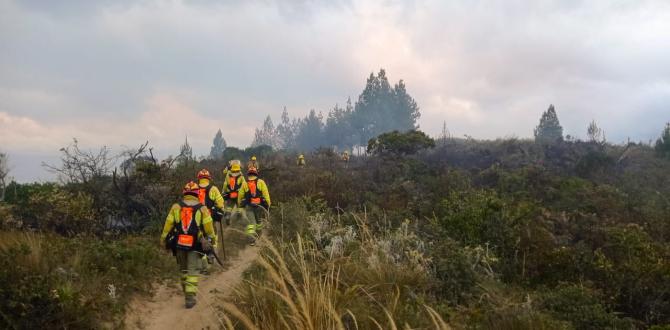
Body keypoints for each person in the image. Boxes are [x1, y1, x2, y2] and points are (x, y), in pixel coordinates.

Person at [160, 181, 217, 309]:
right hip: (195, 245)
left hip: (179, 244)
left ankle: (186, 291)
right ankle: (190, 298)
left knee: (183, 270)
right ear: (197, 193)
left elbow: (168, 224)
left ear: (184, 193)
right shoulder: (202, 208)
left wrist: (163, 239)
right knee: (192, 271)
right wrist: (212, 239)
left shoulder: (176, 207)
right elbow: (209, 227)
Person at [196, 169, 225, 273]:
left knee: (200, 238)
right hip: (210, 218)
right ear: (209, 178)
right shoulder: (214, 189)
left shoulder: (195, 189)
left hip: (197, 220)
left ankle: (203, 266)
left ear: (199, 178)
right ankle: (211, 254)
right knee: (213, 235)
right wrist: (218, 211)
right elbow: (220, 204)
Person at [238, 166, 271, 245]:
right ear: (256, 174)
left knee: (251, 224)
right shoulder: (261, 182)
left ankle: (251, 240)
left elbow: (240, 196)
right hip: (259, 207)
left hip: (249, 207)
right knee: (259, 222)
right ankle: (259, 235)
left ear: (248, 174)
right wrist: (268, 205)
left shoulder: (245, 184)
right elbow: (266, 194)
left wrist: (240, 205)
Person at [222, 160, 246, 225]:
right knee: (239, 206)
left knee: (229, 206)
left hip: (230, 194)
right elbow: (244, 184)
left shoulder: (228, 174)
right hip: (238, 194)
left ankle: (228, 216)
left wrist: (223, 192)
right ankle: (238, 218)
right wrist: (245, 192)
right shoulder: (241, 174)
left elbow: (225, 184)